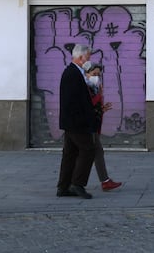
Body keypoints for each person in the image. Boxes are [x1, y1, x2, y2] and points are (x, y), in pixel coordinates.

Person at [57, 44, 98, 199]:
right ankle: (77, 184)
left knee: (70, 153)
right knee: (88, 150)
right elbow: (74, 101)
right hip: (77, 123)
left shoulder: (75, 72)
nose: (89, 60)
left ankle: (63, 186)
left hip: (72, 122)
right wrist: (85, 121)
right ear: (81, 58)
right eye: (88, 57)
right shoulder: (72, 74)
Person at [83, 61, 122, 191]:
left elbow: (94, 107)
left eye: (98, 74)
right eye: (94, 74)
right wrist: (99, 97)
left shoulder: (95, 87)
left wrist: (101, 108)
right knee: (93, 152)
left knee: (96, 152)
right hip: (87, 125)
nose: (96, 77)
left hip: (94, 123)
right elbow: (87, 105)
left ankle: (104, 181)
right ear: (86, 73)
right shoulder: (85, 87)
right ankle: (102, 181)